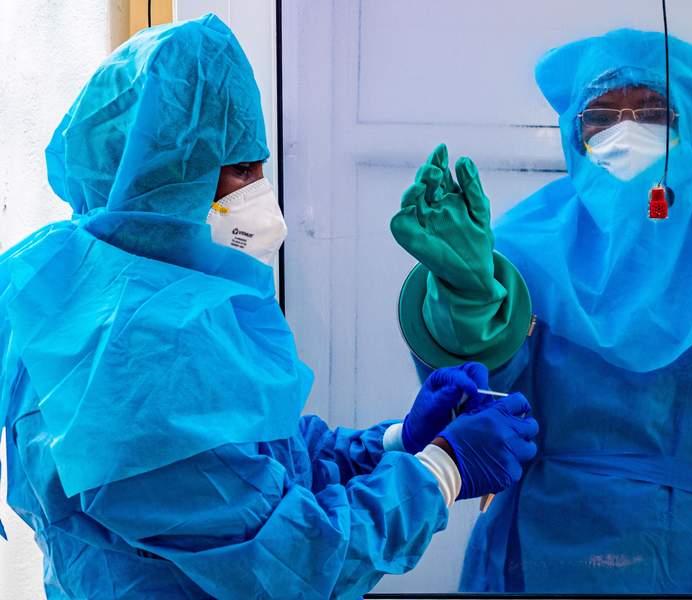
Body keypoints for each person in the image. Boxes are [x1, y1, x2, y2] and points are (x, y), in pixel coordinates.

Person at [0, 14, 539, 599]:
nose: (261, 195)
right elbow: (291, 563)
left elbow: (260, 461)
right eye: (239, 170)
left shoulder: (122, 301)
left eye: (261, 167)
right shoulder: (130, 354)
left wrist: (395, 442)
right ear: (156, 179)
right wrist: (442, 470)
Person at [391, 28, 692, 593]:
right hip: (545, 540)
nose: (627, 128)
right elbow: (476, 396)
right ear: (576, 135)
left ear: (688, 124)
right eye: (602, 115)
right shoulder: (525, 245)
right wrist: (467, 304)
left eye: (651, 110)